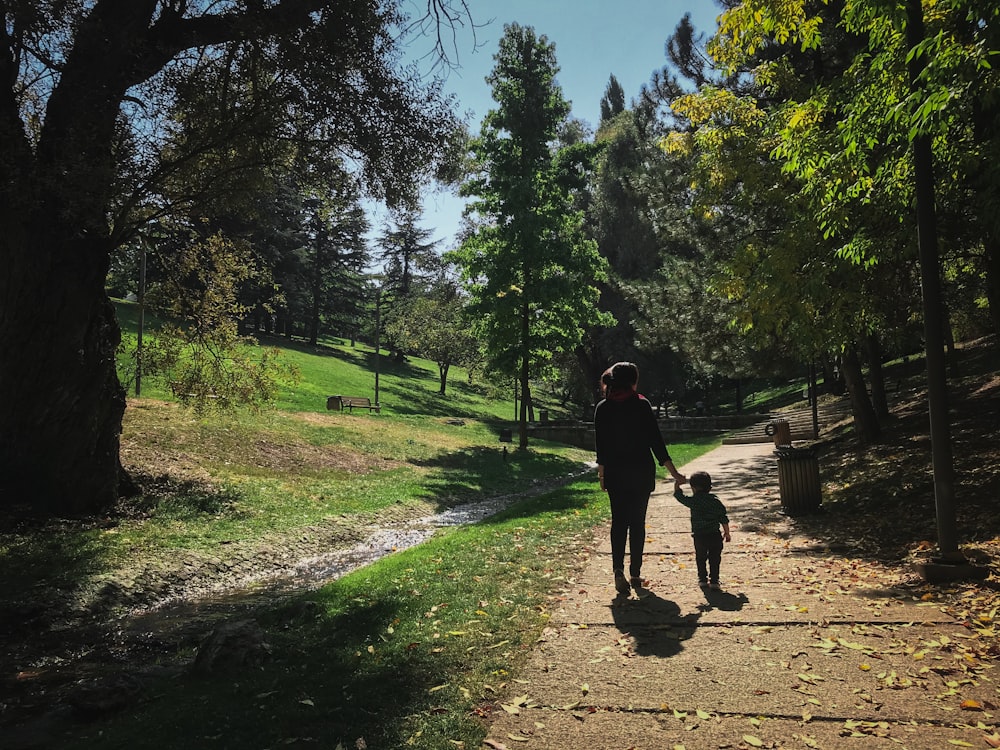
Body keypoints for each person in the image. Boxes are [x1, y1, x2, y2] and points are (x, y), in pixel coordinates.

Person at [595, 362, 685, 597]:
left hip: (615, 473)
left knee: (618, 522)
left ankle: (617, 569)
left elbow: (601, 446)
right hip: (640, 472)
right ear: (632, 380)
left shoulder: (603, 407)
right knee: (637, 522)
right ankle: (635, 573)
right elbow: (656, 441)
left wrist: (602, 474)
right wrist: (674, 472)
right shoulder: (641, 404)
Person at [673, 471, 731, 590]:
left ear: (693, 488)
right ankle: (714, 580)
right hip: (715, 535)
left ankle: (702, 579)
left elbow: (680, 497)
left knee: (701, 558)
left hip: (699, 536)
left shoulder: (694, 501)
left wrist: (677, 485)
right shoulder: (716, 502)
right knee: (715, 559)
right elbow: (723, 518)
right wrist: (727, 532)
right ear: (710, 488)